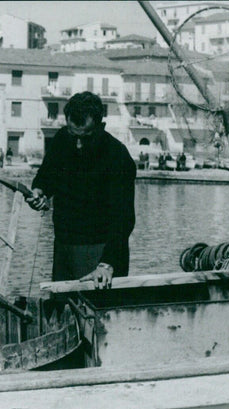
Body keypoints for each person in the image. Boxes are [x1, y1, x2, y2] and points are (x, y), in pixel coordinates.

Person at [25, 91, 136, 289]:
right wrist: (39, 191)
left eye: (85, 137)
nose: (77, 143)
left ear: (100, 126)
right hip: (64, 247)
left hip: (101, 252)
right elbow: (46, 176)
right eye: (73, 134)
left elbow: (124, 218)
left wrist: (107, 263)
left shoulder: (118, 156)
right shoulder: (61, 139)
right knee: (62, 312)